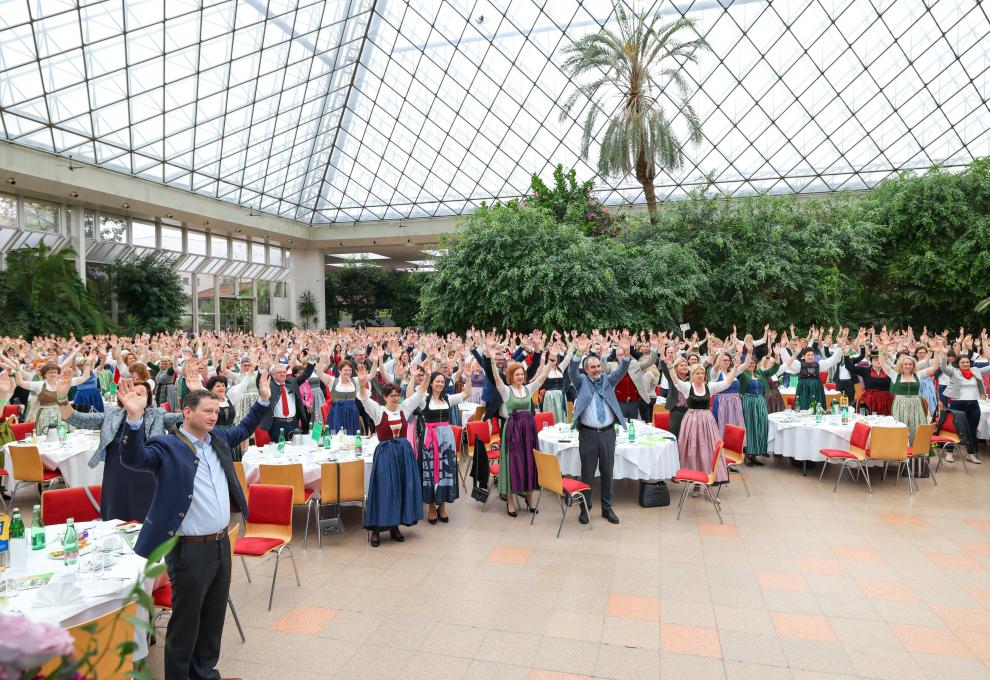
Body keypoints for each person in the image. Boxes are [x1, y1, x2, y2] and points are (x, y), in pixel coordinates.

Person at [118, 372, 272, 680]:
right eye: (207, 411)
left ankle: (204, 673)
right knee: (186, 624)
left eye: (216, 411)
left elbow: (243, 428)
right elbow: (133, 458)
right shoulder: (166, 446)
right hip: (189, 550)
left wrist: (264, 399)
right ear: (187, 412)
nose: (214, 416)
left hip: (220, 543)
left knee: (213, 618)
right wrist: (133, 420)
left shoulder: (218, 440)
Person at [55, 374, 185, 522]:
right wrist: (62, 399)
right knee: (116, 517)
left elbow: (187, 418)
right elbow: (75, 418)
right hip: (117, 475)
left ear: (149, 399)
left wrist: (197, 390)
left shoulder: (158, 415)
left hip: (147, 475)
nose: (134, 397)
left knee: (147, 518)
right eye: (130, 393)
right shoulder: (111, 415)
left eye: (139, 394)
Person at [358, 361, 425, 547]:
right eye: (391, 395)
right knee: (384, 490)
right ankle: (376, 530)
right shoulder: (378, 411)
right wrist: (362, 382)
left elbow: (420, 394)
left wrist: (423, 375)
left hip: (403, 453)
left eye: (397, 395)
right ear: (385, 397)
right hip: (386, 454)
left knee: (401, 489)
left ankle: (395, 526)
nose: (395, 398)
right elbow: (364, 398)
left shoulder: (404, 409)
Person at [568, 334, 630, 525]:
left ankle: (607, 509)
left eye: (597, 367)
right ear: (586, 370)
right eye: (592, 367)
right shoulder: (581, 382)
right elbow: (571, 370)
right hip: (587, 434)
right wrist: (579, 351)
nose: (596, 370)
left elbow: (622, 370)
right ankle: (585, 509)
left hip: (608, 434)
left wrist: (626, 353)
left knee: (607, 473)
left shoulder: (607, 380)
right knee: (586, 474)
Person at [670, 356, 746, 485]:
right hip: (691, 422)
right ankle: (695, 482)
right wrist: (670, 366)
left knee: (708, 449)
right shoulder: (687, 387)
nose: (701, 375)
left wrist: (735, 370)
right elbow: (676, 381)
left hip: (707, 422)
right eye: (698, 373)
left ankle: (709, 479)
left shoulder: (710, 386)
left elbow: (726, 383)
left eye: (703, 373)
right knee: (693, 450)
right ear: (692, 375)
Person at [414, 359, 471, 523]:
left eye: (442, 381)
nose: (440, 383)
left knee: (446, 471)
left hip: (446, 439)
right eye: (436, 381)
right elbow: (412, 394)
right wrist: (425, 376)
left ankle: (443, 506)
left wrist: (468, 377)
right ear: (431, 383)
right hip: (430, 439)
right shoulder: (424, 399)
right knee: (430, 471)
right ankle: (431, 507)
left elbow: (466, 393)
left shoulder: (448, 399)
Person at [939, 351, 987, 465]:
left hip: (974, 405)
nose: (965, 364)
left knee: (972, 429)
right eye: (962, 362)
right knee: (954, 428)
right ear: (958, 364)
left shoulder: (975, 371)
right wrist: (943, 353)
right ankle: (949, 453)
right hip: (957, 404)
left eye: (967, 362)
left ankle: (971, 454)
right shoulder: (954, 372)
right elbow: (943, 367)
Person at [258, 359, 314, 441]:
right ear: (273, 375)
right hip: (277, 424)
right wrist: (265, 369)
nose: (283, 374)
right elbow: (260, 383)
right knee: (279, 448)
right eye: (279, 372)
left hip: (293, 423)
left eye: (284, 372)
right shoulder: (269, 385)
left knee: (295, 448)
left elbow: (305, 374)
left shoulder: (292, 382)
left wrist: (311, 360)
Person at [738, 352, 777, 465]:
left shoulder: (760, 373)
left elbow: (773, 370)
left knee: (760, 427)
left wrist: (777, 355)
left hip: (760, 401)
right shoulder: (742, 373)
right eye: (749, 362)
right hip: (748, 401)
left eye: (753, 362)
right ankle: (747, 455)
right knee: (750, 427)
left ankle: (755, 455)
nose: (751, 364)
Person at [317, 359, 361, 434]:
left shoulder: (355, 380)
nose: (348, 372)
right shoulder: (333, 381)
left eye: (350, 370)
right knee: (336, 434)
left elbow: (371, 376)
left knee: (352, 435)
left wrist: (376, 362)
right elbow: (320, 373)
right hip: (337, 412)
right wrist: (322, 357)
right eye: (345, 370)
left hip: (352, 413)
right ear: (340, 371)